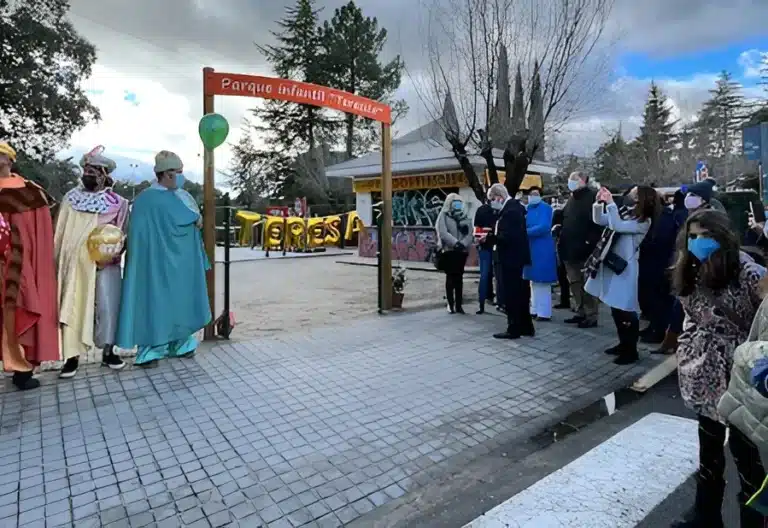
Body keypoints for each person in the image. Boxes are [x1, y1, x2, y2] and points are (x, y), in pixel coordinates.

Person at [671, 209, 766, 527]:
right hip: (705, 377)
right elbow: (690, 316)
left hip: (741, 380)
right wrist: (686, 349)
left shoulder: (748, 271)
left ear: (723, 235)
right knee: (709, 454)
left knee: (748, 461)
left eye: (705, 235)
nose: (698, 242)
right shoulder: (690, 268)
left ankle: (752, 522)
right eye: (693, 236)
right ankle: (705, 517)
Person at [115, 150, 211, 367]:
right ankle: (153, 349)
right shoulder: (155, 199)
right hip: (160, 266)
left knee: (170, 301)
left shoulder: (148, 199)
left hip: (168, 266)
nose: (181, 176)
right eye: (178, 172)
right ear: (166, 174)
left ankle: (179, 344)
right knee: (159, 303)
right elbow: (191, 218)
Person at [54, 148, 129, 378]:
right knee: (75, 306)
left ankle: (108, 351)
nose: (88, 174)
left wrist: (112, 253)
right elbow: (61, 231)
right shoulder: (71, 199)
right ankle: (71, 357)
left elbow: (122, 233)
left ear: (105, 174)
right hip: (76, 266)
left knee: (107, 306)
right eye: (86, 170)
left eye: (94, 170)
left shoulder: (118, 202)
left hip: (106, 263)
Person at [0, 142, 59, 390]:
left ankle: (22, 369)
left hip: (17, 264)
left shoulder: (29, 191)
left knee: (18, 310)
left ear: (9, 160)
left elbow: (39, 232)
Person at [584, 185, 658, 365]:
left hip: (626, 269)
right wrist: (598, 203)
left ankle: (630, 350)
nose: (630, 194)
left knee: (626, 310)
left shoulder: (643, 221)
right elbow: (601, 220)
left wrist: (610, 202)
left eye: (634, 192)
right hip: (613, 264)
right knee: (615, 308)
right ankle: (622, 344)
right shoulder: (626, 212)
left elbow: (616, 225)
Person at [638, 189, 687, 344]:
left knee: (659, 300)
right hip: (651, 264)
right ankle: (654, 326)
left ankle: (659, 331)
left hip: (659, 265)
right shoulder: (655, 217)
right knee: (651, 300)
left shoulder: (664, 217)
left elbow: (660, 242)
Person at [485, 183, 534, 339]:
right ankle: (525, 326)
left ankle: (513, 328)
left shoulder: (510, 211)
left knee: (512, 293)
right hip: (516, 257)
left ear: (499, 197)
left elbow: (507, 237)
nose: (492, 202)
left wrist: (489, 238)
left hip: (511, 258)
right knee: (521, 292)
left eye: (492, 199)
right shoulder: (516, 208)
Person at [559, 171, 601, 328]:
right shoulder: (571, 199)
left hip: (585, 249)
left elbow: (597, 224)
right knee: (575, 282)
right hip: (568, 247)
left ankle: (591, 315)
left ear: (583, 180)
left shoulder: (592, 197)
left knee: (587, 284)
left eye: (574, 179)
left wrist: (589, 242)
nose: (570, 182)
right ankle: (580, 310)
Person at [523, 187, 557, 321]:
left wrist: (525, 232)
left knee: (542, 282)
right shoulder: (527, 209)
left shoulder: (546, 208)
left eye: (536, 194)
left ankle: (544, 312)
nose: (533, 196)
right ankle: (535, 308)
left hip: (542, 248)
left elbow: (544, 227)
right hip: (531, 247)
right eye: (531, 194)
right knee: (533, 281)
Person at [436, 193, 473, 314]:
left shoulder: (465, 216)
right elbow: (443, 232)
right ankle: (450, 303)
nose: (457, 204)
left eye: (459, 202)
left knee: (459, 278)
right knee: (450, 277)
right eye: (454, 202)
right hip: (449, 251)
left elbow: (470, 234)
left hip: (461, 252)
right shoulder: (444, 215)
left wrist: (463, 243)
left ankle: (459, 304)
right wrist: (455, 243)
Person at [473, 197, 497, 314]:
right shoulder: (500, 210)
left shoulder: (480, 210)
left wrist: (480, 238)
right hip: (497, 245)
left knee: (484, 274)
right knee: (498, 275)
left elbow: (476, 229)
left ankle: (482, 303)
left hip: (484, 246)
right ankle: (499, 301)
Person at [551, 201, 570, 310]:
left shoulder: (556, 228)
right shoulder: (565, 226)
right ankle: (565, 300)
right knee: (565, 279)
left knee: (563, 279)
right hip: (564, 254)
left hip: (561, 255)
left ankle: (565, 300)